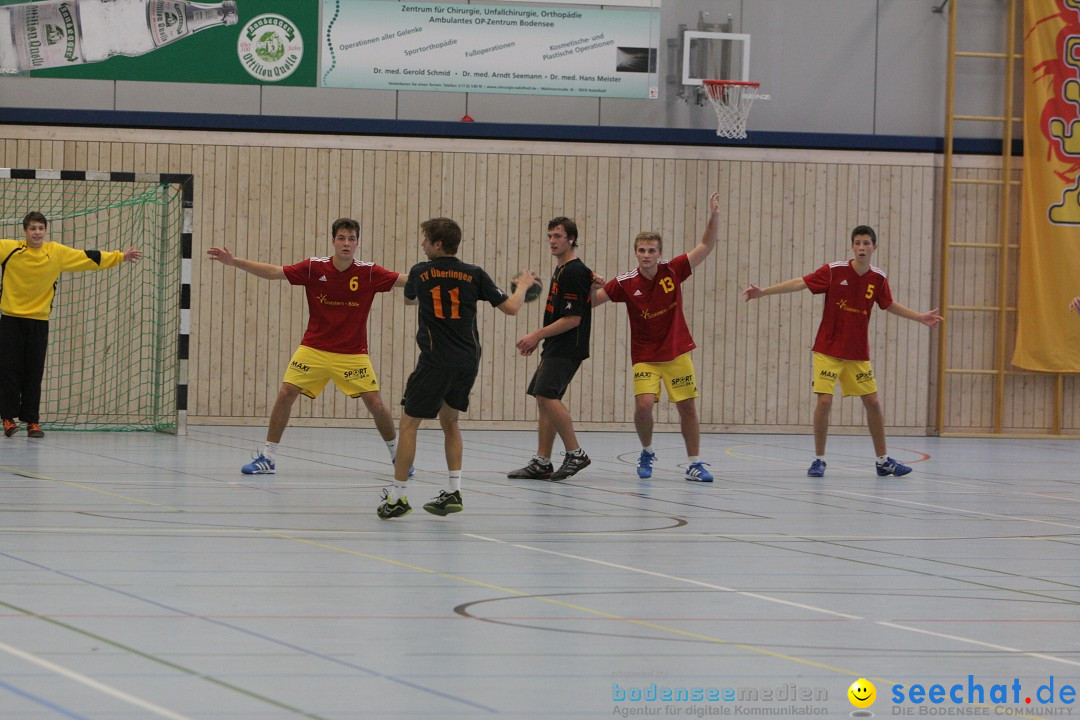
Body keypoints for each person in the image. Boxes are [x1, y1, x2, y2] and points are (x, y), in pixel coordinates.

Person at [207, 218, 406, 475]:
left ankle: (398, 457)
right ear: (333, 241)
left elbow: (405, 280)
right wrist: (235, 262)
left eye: (352, 239)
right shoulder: (314, 267)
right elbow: (275, 272)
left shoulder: (369, 272)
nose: (346, 243)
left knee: (375, 403)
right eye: (342, 238)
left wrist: (437, 275)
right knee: (285, 393)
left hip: (352, 353)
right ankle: (268, 457)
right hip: (313, 348)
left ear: (357, 243)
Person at [742, 225, 942, 478]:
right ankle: (819, 460)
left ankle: (882, 460)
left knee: (873, 402)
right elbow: (800, 283)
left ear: (874, 248)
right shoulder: (835, 270)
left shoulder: (878, 278)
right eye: (857, 243)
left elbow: (888, 304)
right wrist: (764, 292)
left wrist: (919, 317)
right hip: (828, 349)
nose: (861, 247)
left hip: (857, 354)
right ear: (852, 246)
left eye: (866, 243)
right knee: (824, 401)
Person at [377, 217, 535, 519]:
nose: (422, 244)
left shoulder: (420, 271)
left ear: (438, 244)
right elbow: (512, 308)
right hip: (467, 361)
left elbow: (409, 300)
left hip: (435, 360)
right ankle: (453, 492)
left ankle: (397, 498)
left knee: (409, 424)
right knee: (450, 421)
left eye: (425, 239)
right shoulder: (474, 273)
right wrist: (523, 286)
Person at [592, 192, 721, 483]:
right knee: (643, 405)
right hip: (646, 356)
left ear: (659, 253)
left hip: (677, 353)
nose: (647, 255)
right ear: (635, 253)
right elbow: (592, 302)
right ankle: (647, 451)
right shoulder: (624, 283)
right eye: (642, 250)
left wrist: (713, 217)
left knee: (687, 407)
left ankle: (694, 463)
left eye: (652, 250)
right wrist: (592, 286)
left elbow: (706, 245)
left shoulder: (673, 270)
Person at [1, 212, 142, 439]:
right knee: (9, 370)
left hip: (39, 321)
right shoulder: (9, 249)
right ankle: (7, 419)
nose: (37, 232)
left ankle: (32, 422)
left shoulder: (56, 252)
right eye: (33, 228)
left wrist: (120, 257)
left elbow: (89, 257)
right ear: (25, 231)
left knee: (33, 372)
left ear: (45, 231)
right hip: (10, 320)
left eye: (40, 228)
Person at [507, 217, 594, 481]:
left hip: (568, 345)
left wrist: (535, 335)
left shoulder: (574, 271)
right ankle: (542, 462)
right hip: (556, 345)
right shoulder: (561, 270)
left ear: (571, 239)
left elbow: (573, 318)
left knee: (546, 395)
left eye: (558, 236)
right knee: (543, 398)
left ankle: (576, 453)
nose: (553, 241)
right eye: (550, 236)